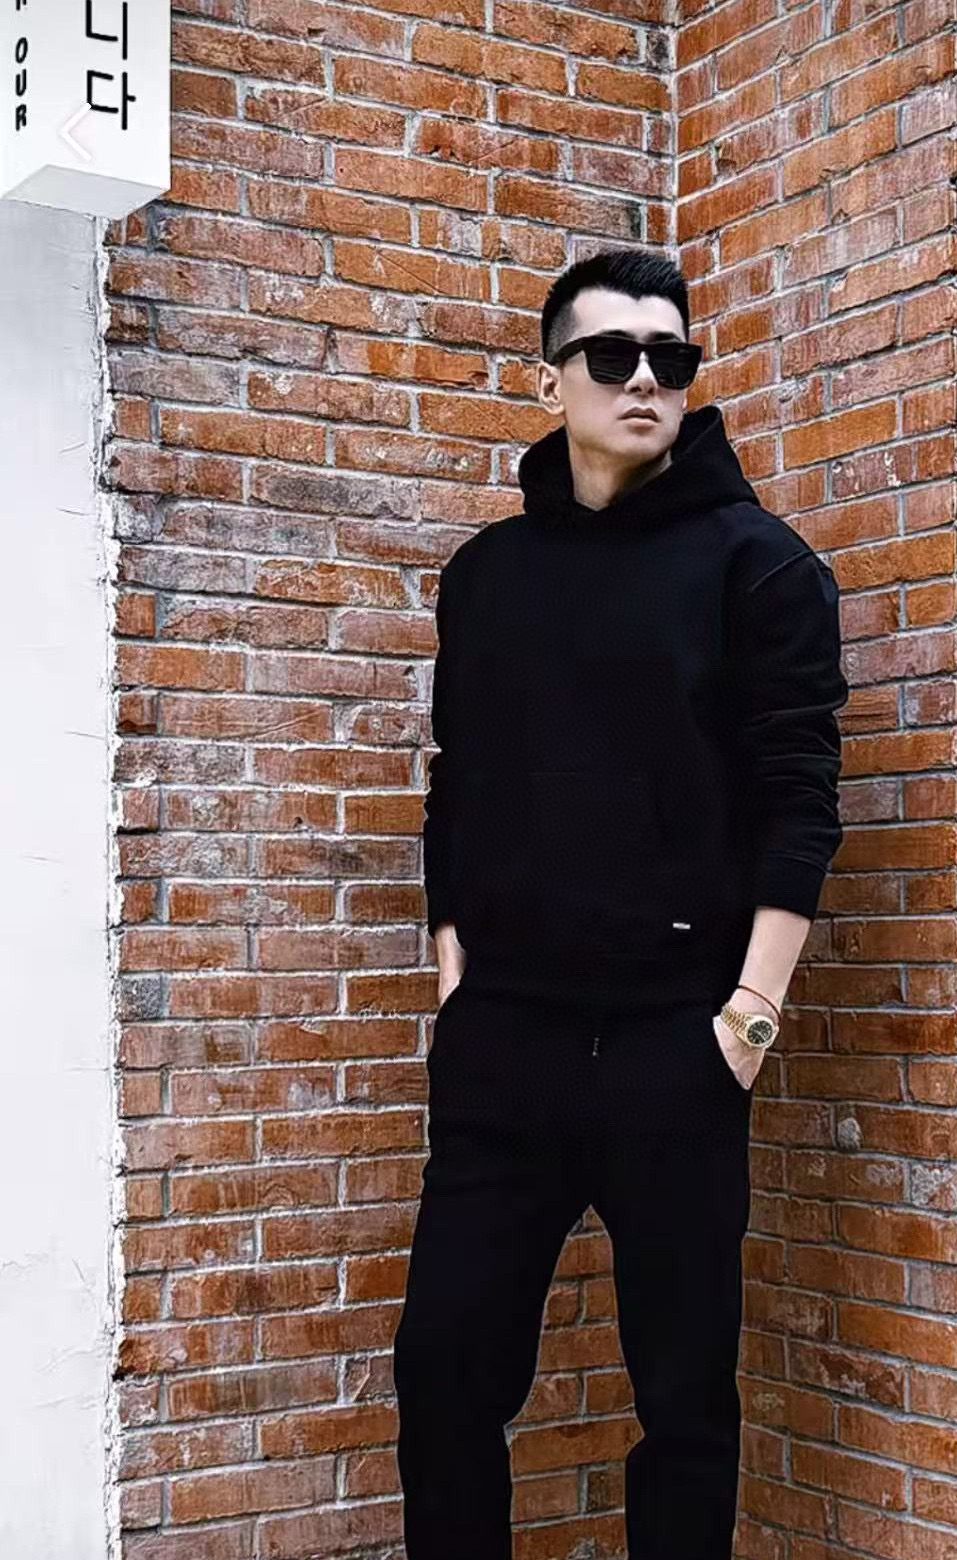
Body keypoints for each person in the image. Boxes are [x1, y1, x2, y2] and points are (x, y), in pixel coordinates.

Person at [393, 246, 848, 1560]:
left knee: (684, 1407)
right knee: (443, 1376)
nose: (645, 378)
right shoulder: (486, 575)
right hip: (507, 1042)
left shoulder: (759, 566)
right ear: (552, 381)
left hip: (674, 1046)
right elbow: (458, 782)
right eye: (611, 355)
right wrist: (456, 973)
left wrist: (746, 1018)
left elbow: (798, 799)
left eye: (671, 356)